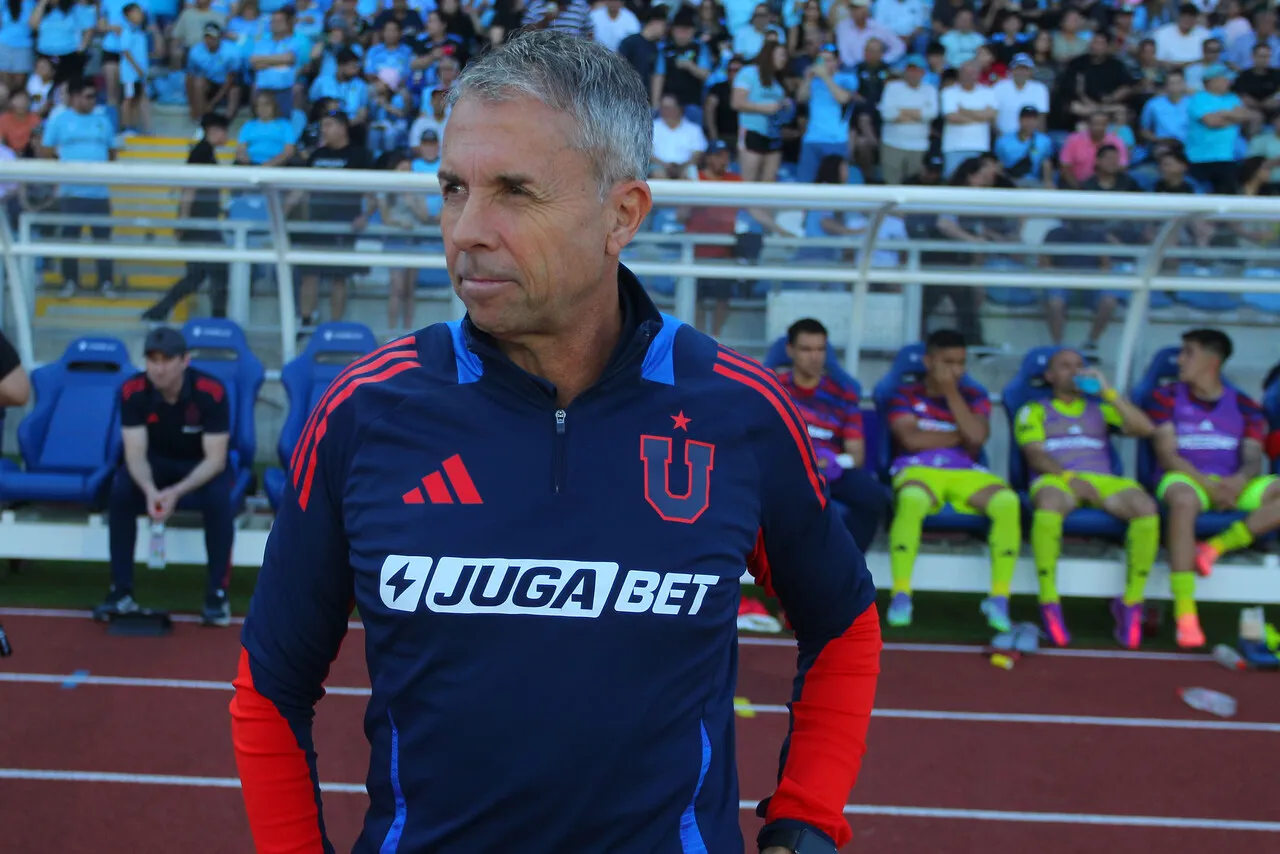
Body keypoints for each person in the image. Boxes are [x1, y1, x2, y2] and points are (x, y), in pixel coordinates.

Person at [231, 30, 880, 854]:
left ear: (622, 215)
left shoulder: (738, 411)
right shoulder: (365, 411)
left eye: (515, 191)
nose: (467, 229)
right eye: (453, 188)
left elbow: (844, 623)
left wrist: (808, 817)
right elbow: (270, 685)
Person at [1013, 348, 1157, 648]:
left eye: (1079, 365)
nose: (1075, 371)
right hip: (1057, 479)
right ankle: (1049, 601)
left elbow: (1145, 429)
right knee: (1049, 503)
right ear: (1050, 376)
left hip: (1103, 480)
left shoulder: (1100, 408)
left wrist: (1108, 392)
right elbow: (1035, 455)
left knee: (1145, 507)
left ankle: (1131, 602)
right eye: (1065, 366)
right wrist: (1070, 479)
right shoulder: (1034, 410)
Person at [1146, 328, 1280, 648]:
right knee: (1183, 501)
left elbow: (1252, 457)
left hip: (1231, 483)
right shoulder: (1164, 397)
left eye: (1188, 353)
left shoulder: (1245, 405)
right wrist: (1207, 484)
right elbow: (1167, 454)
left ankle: (1215, 547)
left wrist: (1238, 481)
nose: (1179, 360)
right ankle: (1185, 612)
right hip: (1184, 479)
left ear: (1212, 360)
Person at [93, 327, 234, 627]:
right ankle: (120, 590)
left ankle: (217, 594)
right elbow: (134, 453)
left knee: (219, 498)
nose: (159, 368)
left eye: (167, 360)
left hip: (200, 465)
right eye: (152, 360)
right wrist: (150, 490)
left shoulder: (211, 391)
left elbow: (216, 459)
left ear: (185, 360)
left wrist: (176, 492)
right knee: (120, 491)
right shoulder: (132, 390)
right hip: (155, 462)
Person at [885, 328, 1021, 631]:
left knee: (1007, 501)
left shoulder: (974, 396)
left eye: (960, 363)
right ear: (928, 361)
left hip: (965, 472)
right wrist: (960, 436)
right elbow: (911, 440)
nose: (955, 370)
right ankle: (901, 594)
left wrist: (950, 393)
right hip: (918, 469)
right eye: (947, 362)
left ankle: (999, 598)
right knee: (911, 499)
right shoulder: (904, 394)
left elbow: (977, 438)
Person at [776, 318, 889, 553]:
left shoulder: (842, 393)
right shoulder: (773, 389)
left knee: (875, 497)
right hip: (787, 469)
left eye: (820, 349)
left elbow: (856, 455)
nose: (814, 357)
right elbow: (760, 439)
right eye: (806, 349)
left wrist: (831, 461)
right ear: (790, 350)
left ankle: (847, 562)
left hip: (830, 471)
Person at [142, 112, 229, 321]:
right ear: (213, 130)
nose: (226, 136)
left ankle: (159, 311)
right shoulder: (201, 153)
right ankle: (218, 319)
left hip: (203, 221)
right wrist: (183, 220)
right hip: (199, 224)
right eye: (224, 131)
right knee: (216, 272)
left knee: (200, 275)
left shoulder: (205, 152)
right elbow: (189, 188)